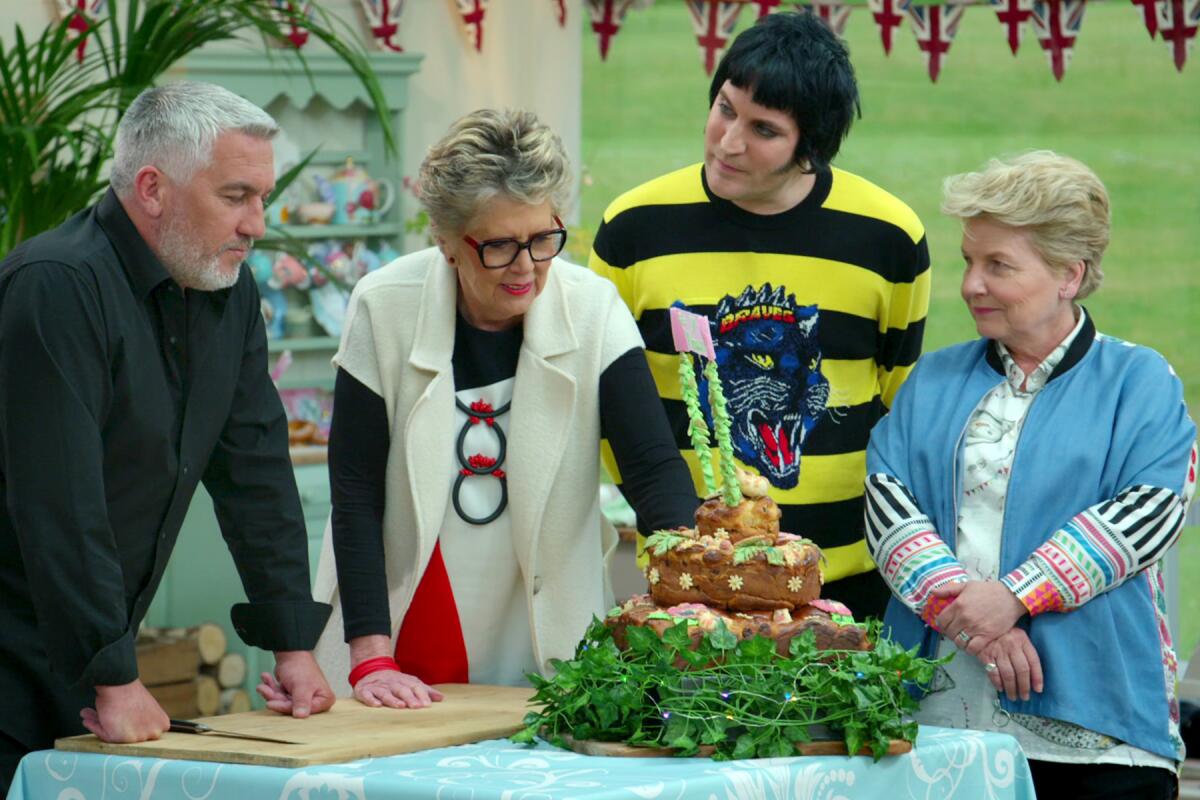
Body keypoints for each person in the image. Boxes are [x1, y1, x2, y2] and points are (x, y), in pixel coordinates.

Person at [0, 82, 335, 793]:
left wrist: (293, 644)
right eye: (236, 195)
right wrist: (113, 675)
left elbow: (255, 471)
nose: (258, 223)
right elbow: (62, 503)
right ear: (152, 188)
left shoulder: (227, 290)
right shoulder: (54, 285)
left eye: (264, 197)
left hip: (84, 651)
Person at [311, 109, 698, 709]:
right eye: (498, 245)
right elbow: (356, 491)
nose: (526, 267)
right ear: (444, 239)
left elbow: (651, 469)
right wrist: (371, 656)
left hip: (548, 631)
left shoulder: (593, 308)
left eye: (543, 239)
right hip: (398, 629)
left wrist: (697, 602)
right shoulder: (383, 306)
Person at [865, 151, 1196, 800]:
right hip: (934, 732)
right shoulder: (931, 380)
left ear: (1069, 275)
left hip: (1100, 738)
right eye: (969, 260)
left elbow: (1147, 511)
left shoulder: (1141, 382)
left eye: (998, 266)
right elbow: (887, 508)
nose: (970, 285)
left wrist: (1014, 596)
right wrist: (970, 613)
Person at [589, 11, 930, 620]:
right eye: (725, 108)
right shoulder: (632, 229)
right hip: (685, 586)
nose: (728, 141)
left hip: (845, 586)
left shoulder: (889, 238)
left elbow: (898, 406)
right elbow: (607, 407)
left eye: (764, 129)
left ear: (812, 146)